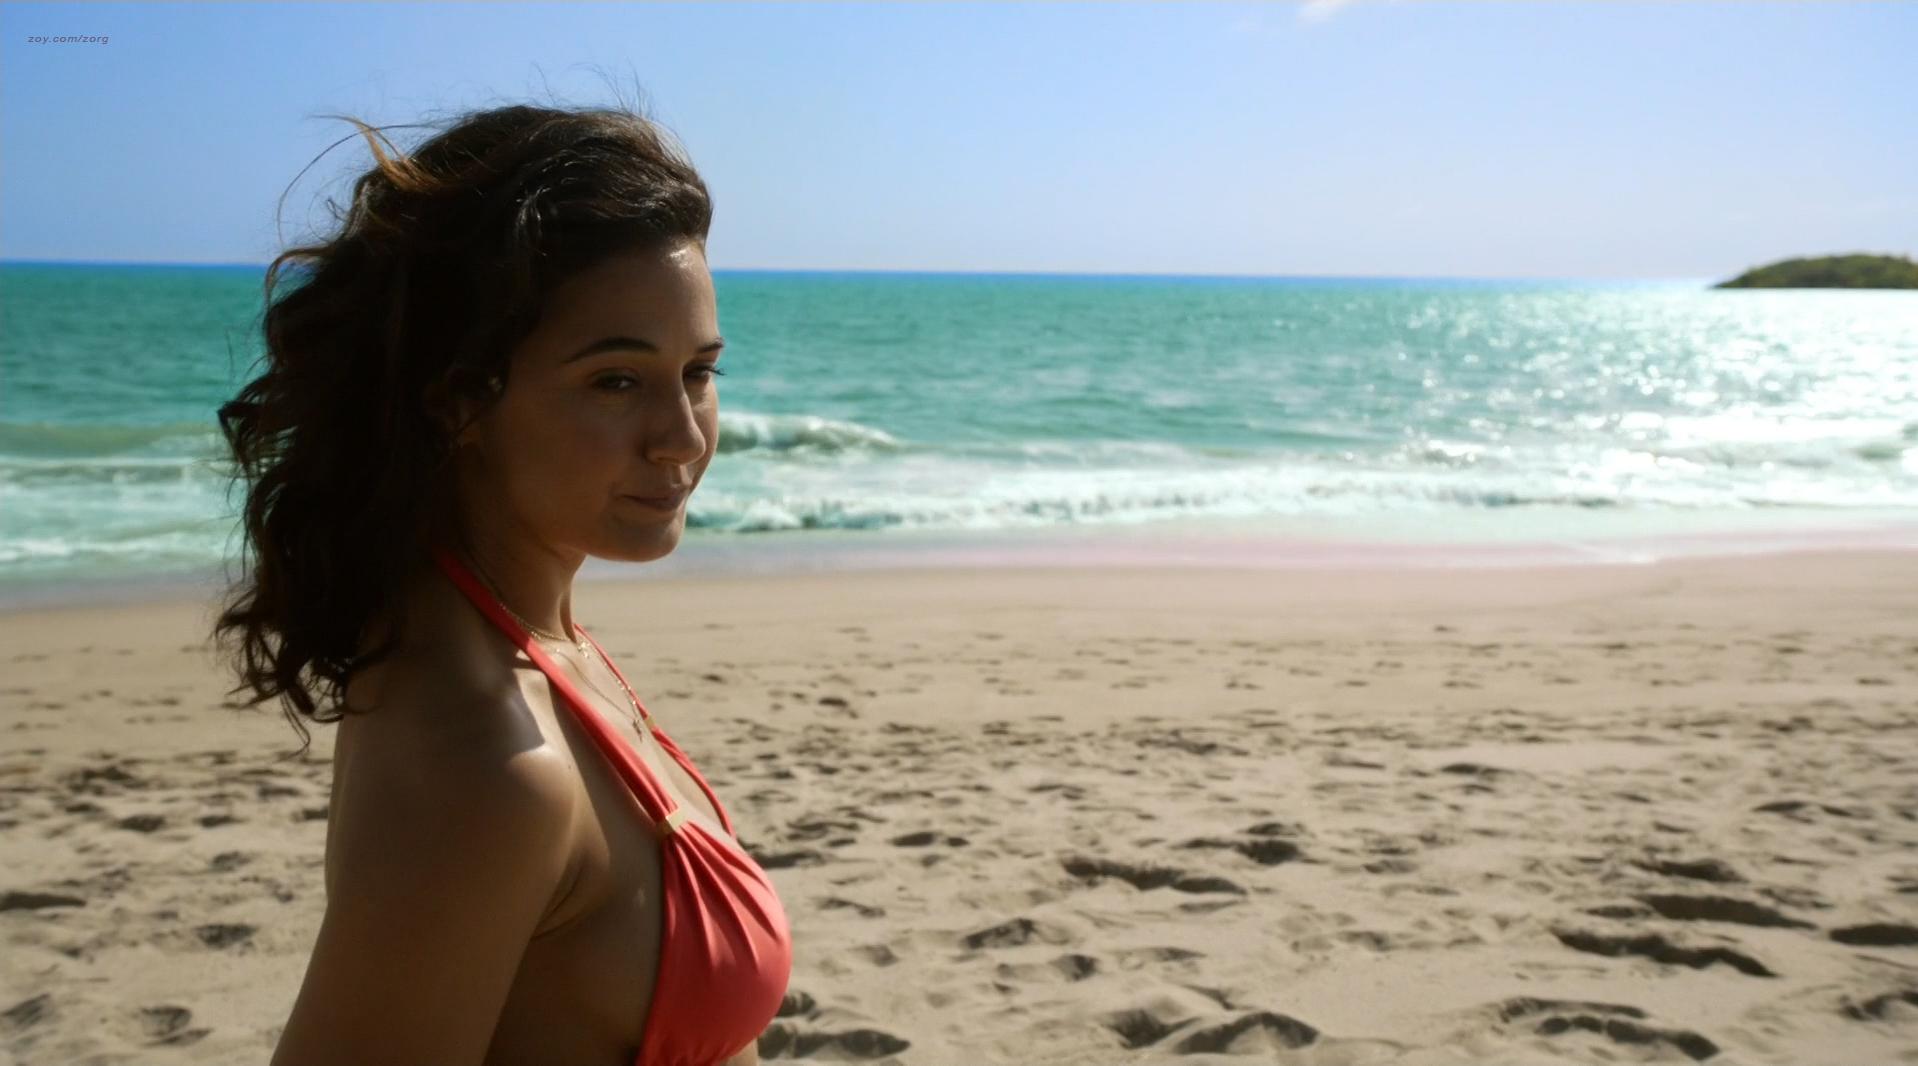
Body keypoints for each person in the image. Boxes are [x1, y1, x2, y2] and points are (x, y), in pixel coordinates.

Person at [213, 99, 791, 1066]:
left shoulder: (530, 643)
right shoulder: (488, 762)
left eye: (699, 373)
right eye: (616, 380)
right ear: (459, 399)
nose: (683, 437)